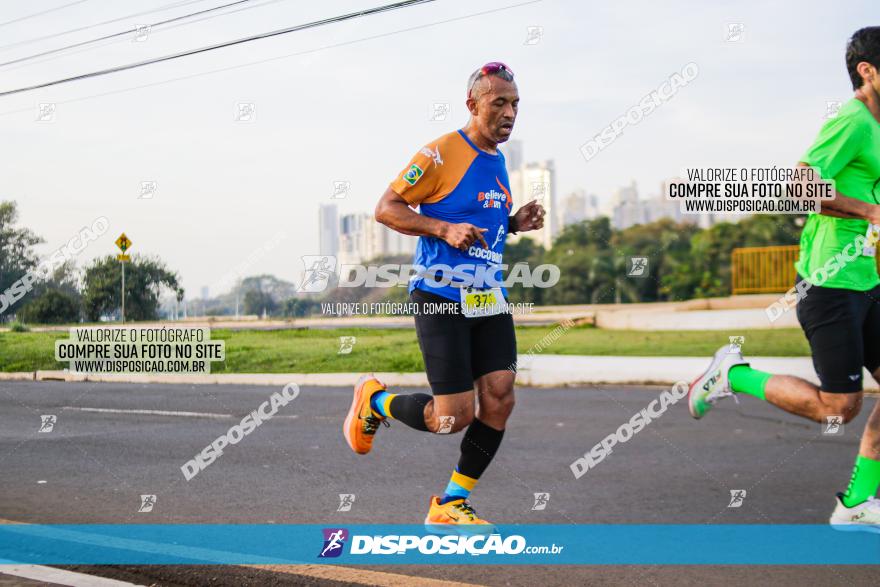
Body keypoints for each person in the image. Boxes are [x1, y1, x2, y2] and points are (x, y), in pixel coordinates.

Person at [688, 27, 880, 531]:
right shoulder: (853, 119)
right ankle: (732, 375)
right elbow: (800, 182)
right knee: (838, 409)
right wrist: (870, 211)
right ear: (867, 71)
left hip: (870, 280)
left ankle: (856, 502)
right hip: (830, 281)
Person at [342, 62, 545, 531]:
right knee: (452, 418)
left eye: (515, 104)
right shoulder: (439, 153)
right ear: (473, 104)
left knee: (500, 398)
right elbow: (386, 208)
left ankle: (452, 502)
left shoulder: (497, 162)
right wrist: (441, 227)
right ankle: (375, 401)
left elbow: (479, 223)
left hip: (487, 298)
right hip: (439, 297)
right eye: (500, 102)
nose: (510, 112)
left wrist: (514, 223)